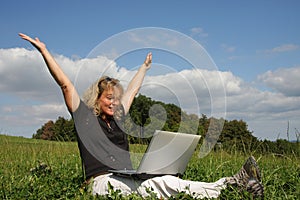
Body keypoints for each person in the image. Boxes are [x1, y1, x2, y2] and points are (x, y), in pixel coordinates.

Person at [19, 33, 264, 199]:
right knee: (154, 184)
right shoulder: (85, 118)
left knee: (167, 180)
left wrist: (144, 68)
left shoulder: (119, 117)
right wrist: (44, 51)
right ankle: (233, 185)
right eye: (109, 98)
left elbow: (133, 92)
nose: (114, 102)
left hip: (128, 178)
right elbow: (64, 85)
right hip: (100, 182)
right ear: (97, 98)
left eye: (116, 98)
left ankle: (233, 185)